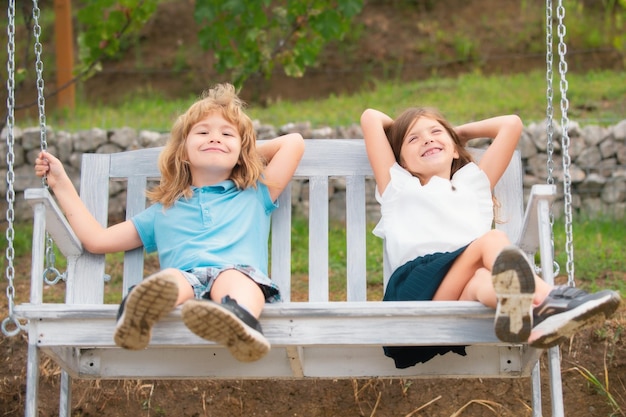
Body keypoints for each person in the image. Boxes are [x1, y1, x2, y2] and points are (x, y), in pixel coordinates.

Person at [34, 83, 305, 362]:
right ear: (183, 153)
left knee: (235, 279)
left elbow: (293, 142)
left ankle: (239, 322)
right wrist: (59, 182)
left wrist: (243, 152)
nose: (215, 138)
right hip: (186, 284)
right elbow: (97, 240)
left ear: (241, 151)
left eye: (226, 134)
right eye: (203, 133)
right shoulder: (163, 211)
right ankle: (138, 314)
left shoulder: (255, 193)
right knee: (171, 279)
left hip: (238, 278)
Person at [360, 107, 621, 369]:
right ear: (402, 162)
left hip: (453, 303)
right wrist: (422, 129)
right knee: (491, 240)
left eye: (435, 132)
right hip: (414, 295)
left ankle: (531, 322)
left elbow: (511, 124)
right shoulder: (398, 186)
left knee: (483, 280)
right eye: (413, 139)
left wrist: (456, 132)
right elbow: (371, 117)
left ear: (454, 149)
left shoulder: (474, 184)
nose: (427, 139)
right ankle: (554, 299)